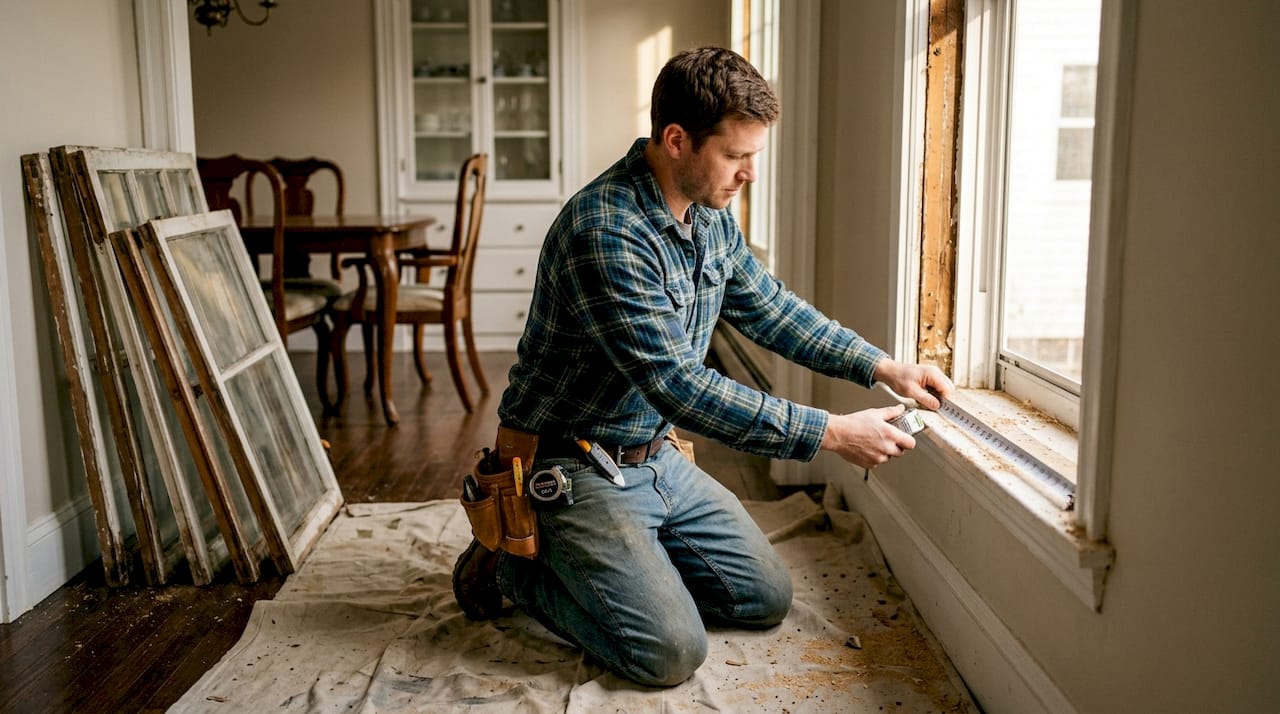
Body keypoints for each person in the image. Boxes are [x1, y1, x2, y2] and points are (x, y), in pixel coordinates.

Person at [452, 46, 954, 687]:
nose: (750, 174)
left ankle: (625, 559)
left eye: (754, 155)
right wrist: (830, 433)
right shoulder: (605, 231)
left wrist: (882, 367)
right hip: (571, 464)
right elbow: (680, 387)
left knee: (764, 598)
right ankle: (512, 567)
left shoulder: (709, 215)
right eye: (737, 155)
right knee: (669, 652)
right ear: (676, 140)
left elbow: (770, 308)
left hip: (653, 455)